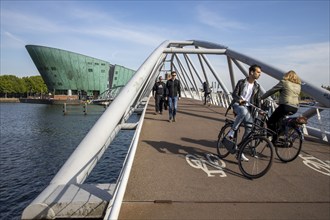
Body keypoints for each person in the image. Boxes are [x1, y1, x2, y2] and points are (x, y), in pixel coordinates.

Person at [228, 64, 262, 153]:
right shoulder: (241, 82)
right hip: (237, 105)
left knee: (249, 128)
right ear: (251, 72)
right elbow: (234, 94)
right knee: (242, 110)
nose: (259, 74)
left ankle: (241, 150)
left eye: (260, 73)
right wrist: (239, 100)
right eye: (258, 72)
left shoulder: (257, 86)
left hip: (248, 108)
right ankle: (232, 130)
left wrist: (260, 109)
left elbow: (257, 100)